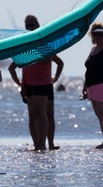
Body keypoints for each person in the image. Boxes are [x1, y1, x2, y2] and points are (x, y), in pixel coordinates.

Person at [9, 15, 63, 151]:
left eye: (33, 25)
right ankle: (37, 144)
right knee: (33, 116)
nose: (30, 27)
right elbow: (12, 68)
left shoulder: (44, 44)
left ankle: (46, 143)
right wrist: (20, 83)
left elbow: (52, 60)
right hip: (29, 85)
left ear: (38, 25)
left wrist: (55, 77)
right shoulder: (25, 46)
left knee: (45, 114)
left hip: (44, 84)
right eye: (28, 25)